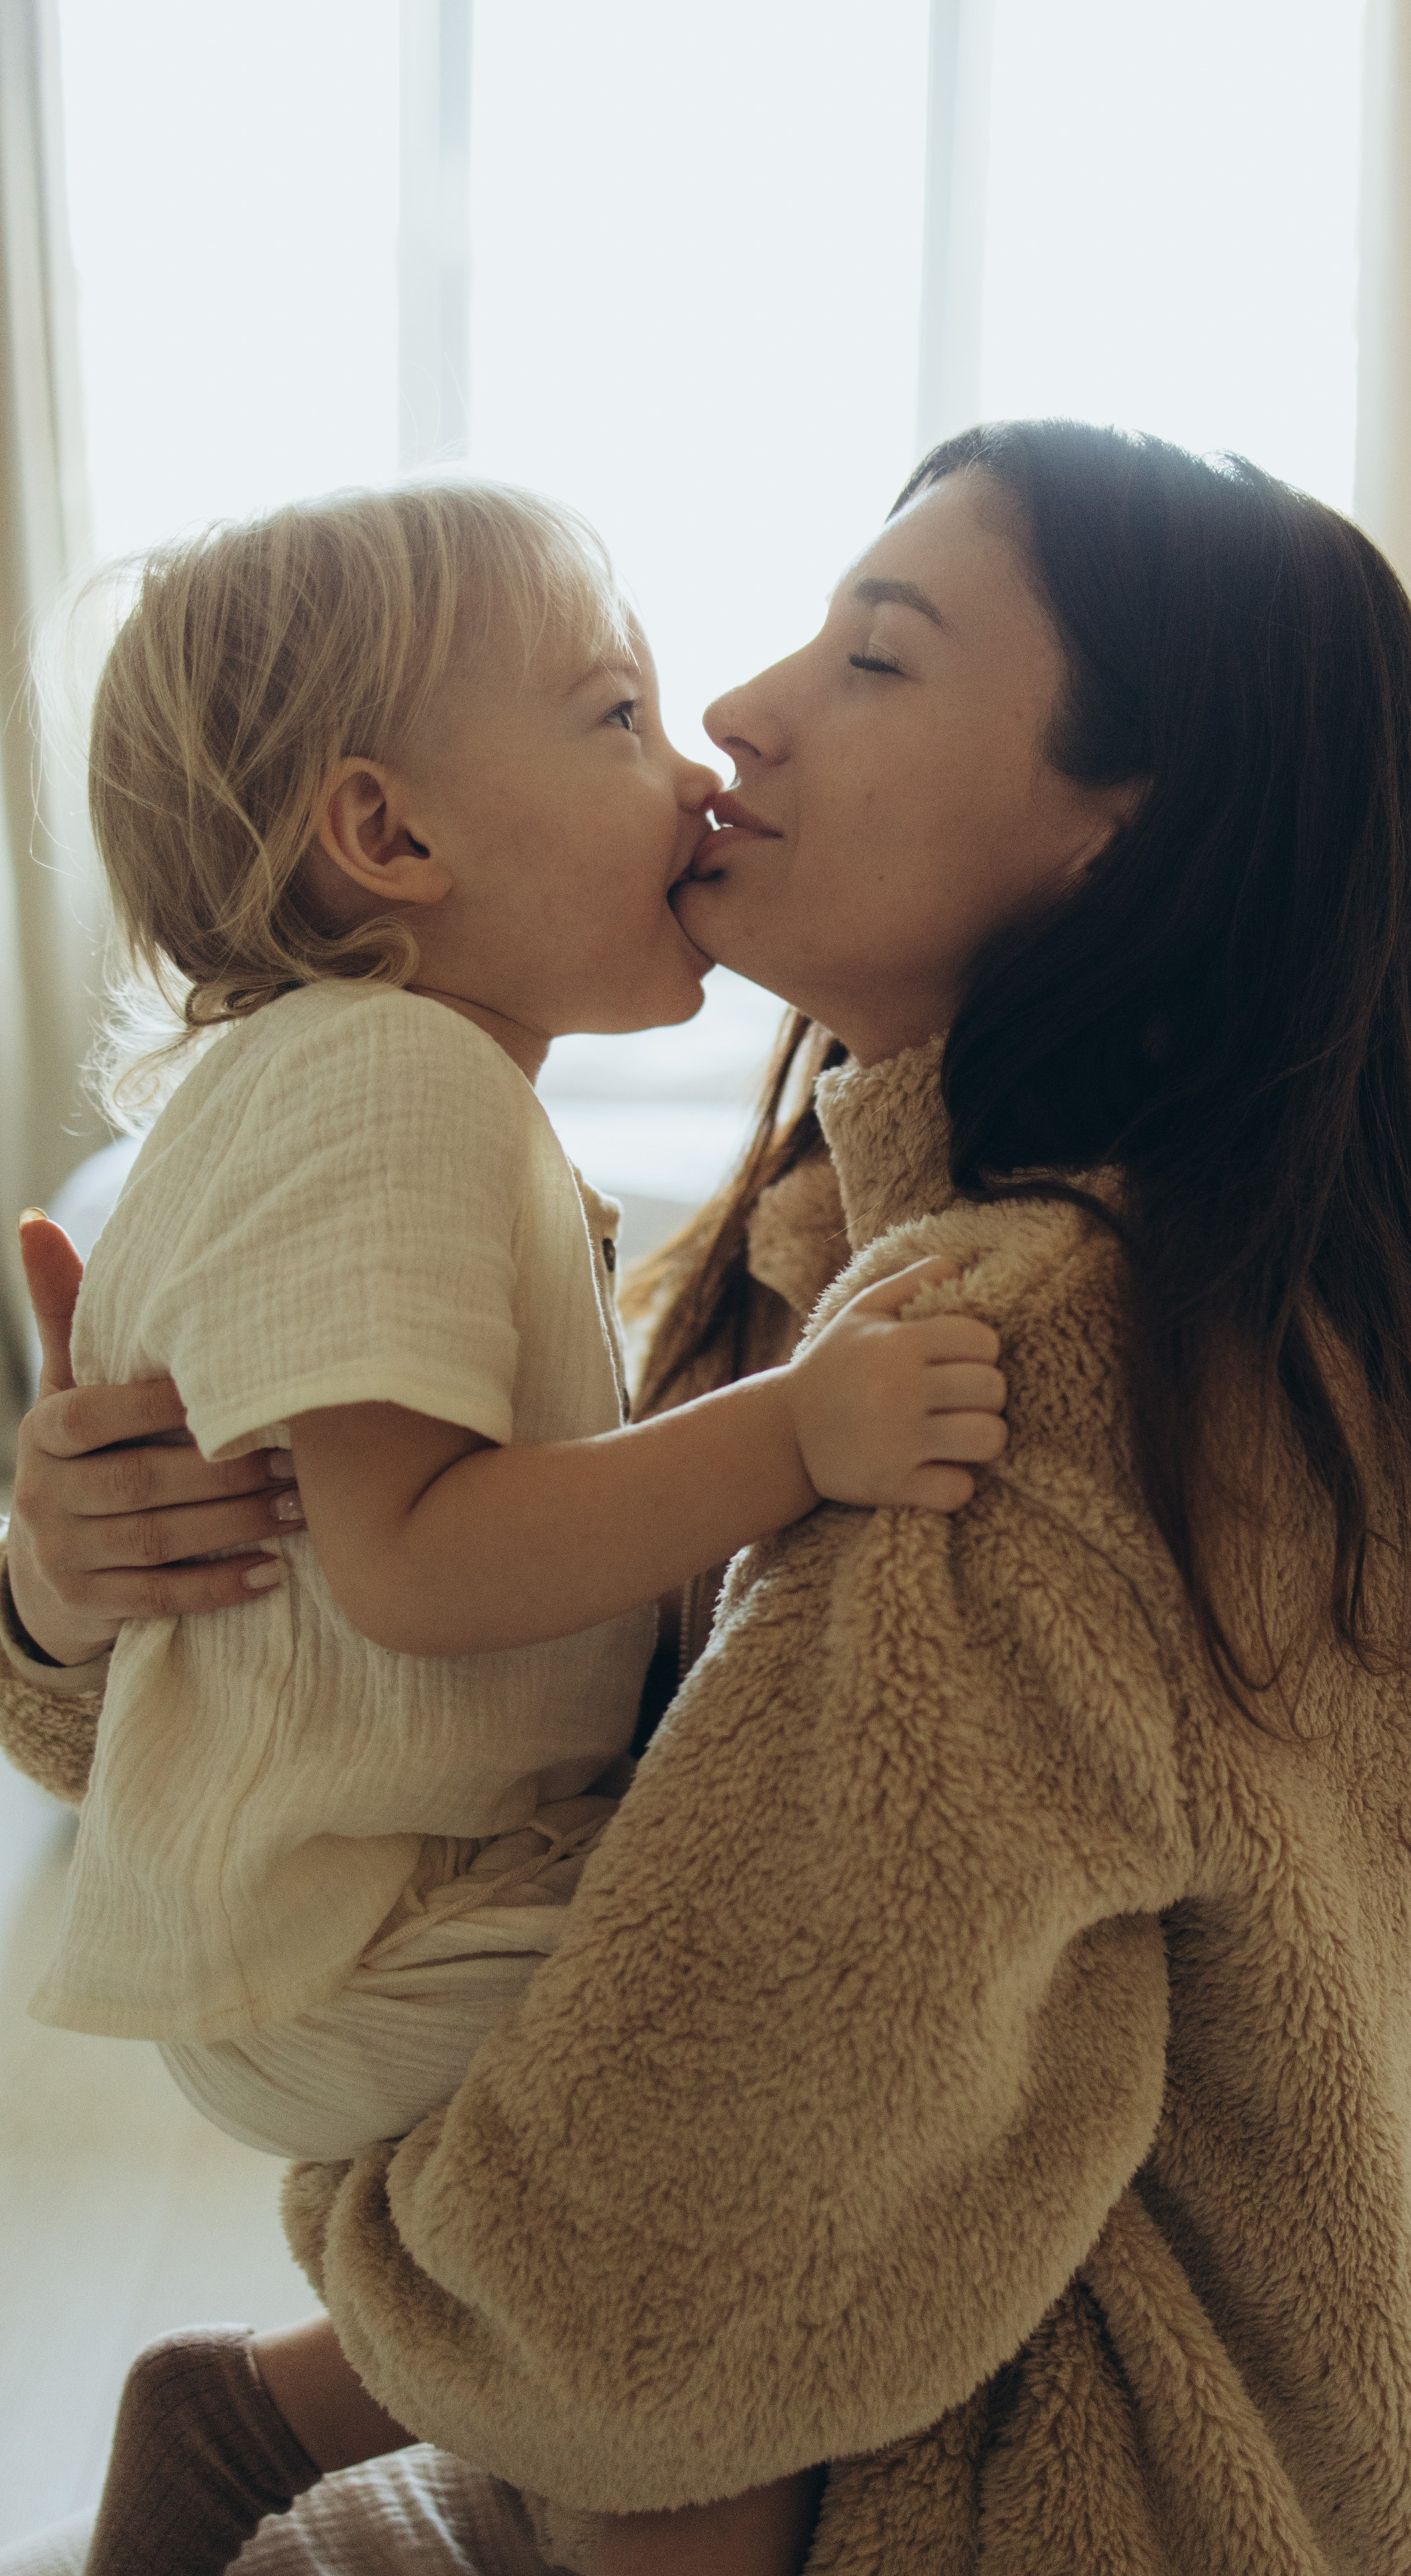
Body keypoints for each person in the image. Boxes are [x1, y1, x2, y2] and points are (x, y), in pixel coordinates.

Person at [0, 421, 1411, 2576]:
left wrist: (332, 2327)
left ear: (1118, 838)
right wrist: (88, 1590)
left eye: (880, 655)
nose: (738, 714)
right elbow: (423, 1704)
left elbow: (667, 2279)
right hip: (779, 2397)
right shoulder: (817, 1251)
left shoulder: (1034, 1366)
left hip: (1024, 2487)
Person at [11, 480, 1007, 2576]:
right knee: (752, 2167)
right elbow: (416, 1560)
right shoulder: (395, 1082)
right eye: (619, 712)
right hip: (375, 1918)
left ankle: (276, 2418)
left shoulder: (379, 1083)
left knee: (698, 2326)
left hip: (357, 1895)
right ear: (392, 840)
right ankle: (320, 2424)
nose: (701, 757)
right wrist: (796, 1433)